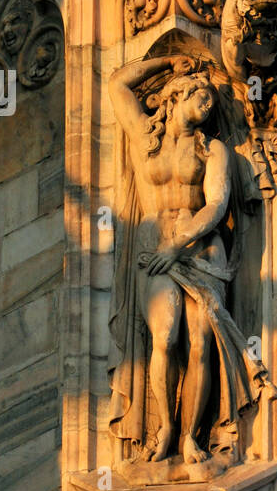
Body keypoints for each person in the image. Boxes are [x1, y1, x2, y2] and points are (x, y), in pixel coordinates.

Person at [106, 54, 267, 466]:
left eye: (211, 99)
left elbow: (216, 204)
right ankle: (164, 428)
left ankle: (192, 437)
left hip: (201, 249)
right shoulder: (145, 137)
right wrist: (166, 62)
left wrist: (180, 242)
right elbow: (118, 84)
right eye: (200, 95)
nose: (208, 104)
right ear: (176, 96)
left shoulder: (213, 149)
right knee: (165, 335)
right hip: (154, 246)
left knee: (201, 343)